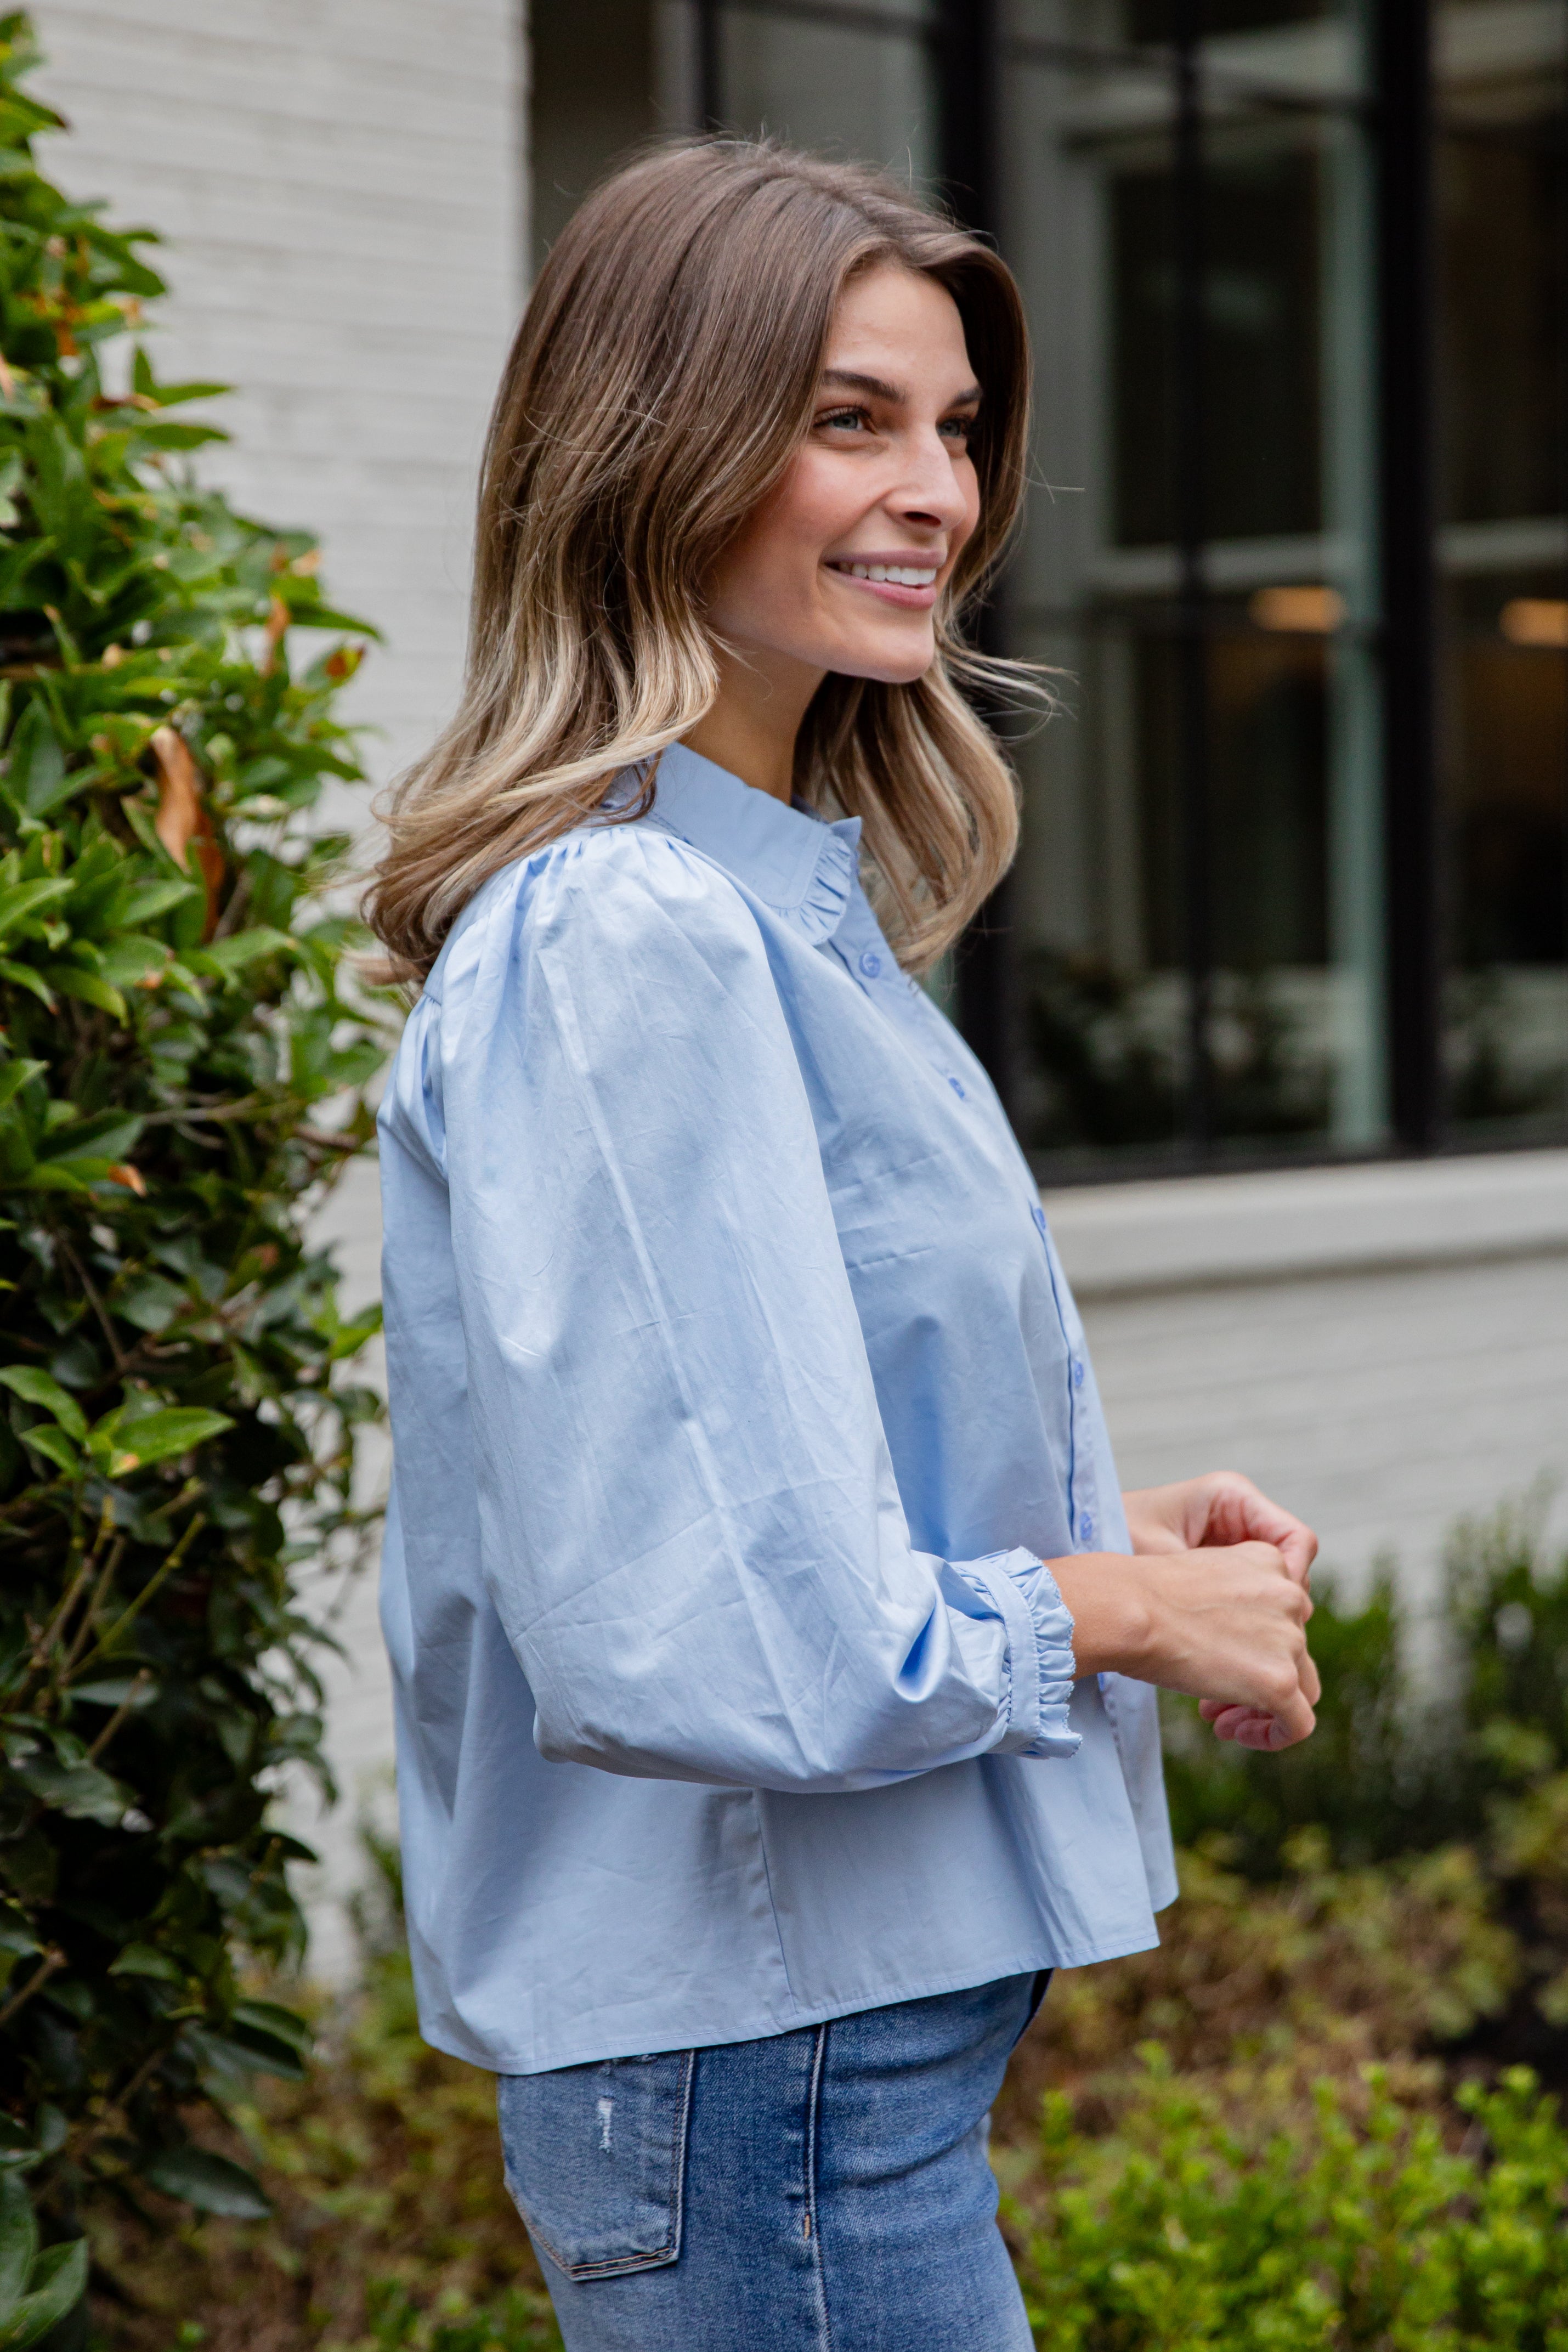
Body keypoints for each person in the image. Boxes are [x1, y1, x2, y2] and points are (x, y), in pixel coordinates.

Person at [365, 139, 1319, 2352]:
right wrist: (1112, 1610)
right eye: (845, 418)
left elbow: (757, 1485)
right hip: (766, 2058)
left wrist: (1103, 1535)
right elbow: (710, 1633)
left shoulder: (758, 916)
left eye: (958, 427)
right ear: (650, 447)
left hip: (808, 2053)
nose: (934, 494)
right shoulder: (631, 939)